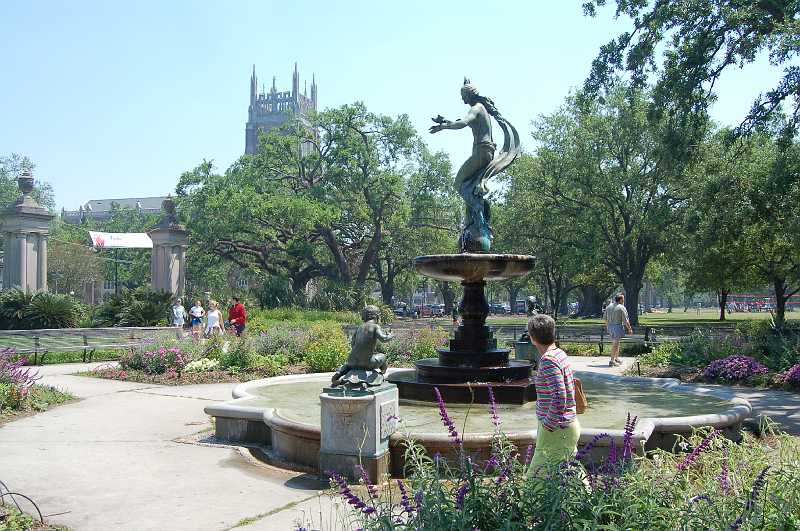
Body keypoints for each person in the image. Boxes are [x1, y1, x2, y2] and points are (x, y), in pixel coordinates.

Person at [527, 313, 580, 477]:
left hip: (556, 429)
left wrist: (547, 426)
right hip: (567, 425)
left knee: (535, 479)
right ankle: (588, 501)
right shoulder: (559, 353)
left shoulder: (548, 360)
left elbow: (559, 396)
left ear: (532, 338)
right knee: (568, 475)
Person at [606, 293, 633, 367]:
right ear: (621, 299)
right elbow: (625, 321)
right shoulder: (621, 307)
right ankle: (611, 360)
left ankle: (616, 358)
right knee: (615, 343)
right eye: (623, 299)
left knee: (617, 343)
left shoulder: (608, 307)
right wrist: (629, 329)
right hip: (617, 327)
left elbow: (605, 319)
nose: (624, 300)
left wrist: (608, 328)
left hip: (610, 327)